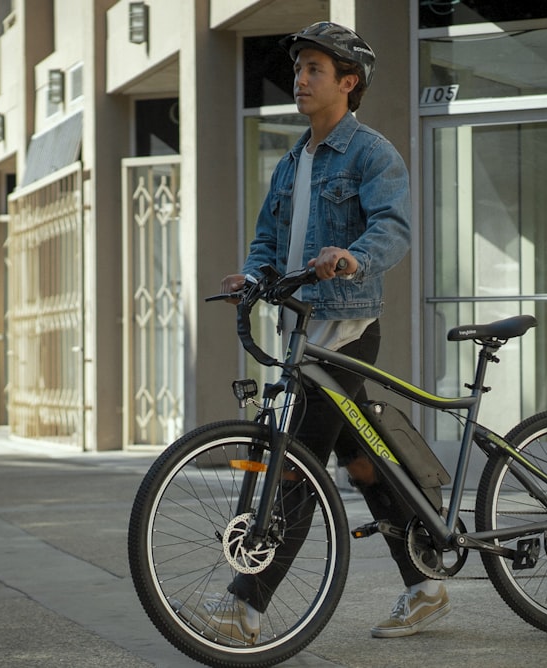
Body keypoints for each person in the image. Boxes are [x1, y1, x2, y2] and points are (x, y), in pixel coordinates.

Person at [173, 22, 450, 644]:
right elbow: (269, 239)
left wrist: (353, 256)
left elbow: (394, 225)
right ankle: (427, 583)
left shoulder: (371, 152)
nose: (300, 79)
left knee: (295, 465)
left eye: (314, 70)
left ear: (348, 83)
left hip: (345, 329)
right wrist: (251, 274)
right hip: (303, 330)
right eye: (299, 69)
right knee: (367, 463)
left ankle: (246, 609)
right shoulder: (294, 159)